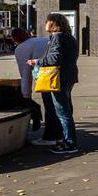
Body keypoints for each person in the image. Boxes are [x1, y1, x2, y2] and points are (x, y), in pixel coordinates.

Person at [30, 13, 81, 155]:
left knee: (62, 112)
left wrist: (37, 61)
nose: (44, 23)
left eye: (47, 21)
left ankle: (70, 143)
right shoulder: (69, 37)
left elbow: (55, 59)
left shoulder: (57, 36)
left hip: (60, 78)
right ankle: (66, 139)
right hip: (69, 77)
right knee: (66, 110)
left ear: (53, 23)